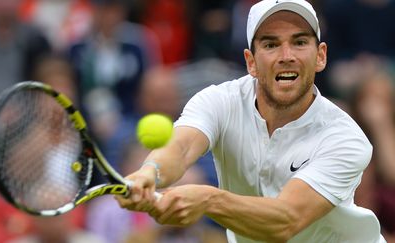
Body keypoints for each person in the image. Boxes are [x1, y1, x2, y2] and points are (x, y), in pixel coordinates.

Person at [115, 0, 386, 242]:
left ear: (321, 56)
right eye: (270, 44)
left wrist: (208, 200)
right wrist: (149, 172)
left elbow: (285, 221)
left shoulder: (345, 138)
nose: (286, 55)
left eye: (300, 42)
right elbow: (182, 146)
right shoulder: (219, 100)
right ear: (251, 62)